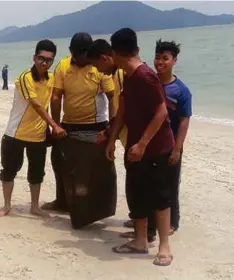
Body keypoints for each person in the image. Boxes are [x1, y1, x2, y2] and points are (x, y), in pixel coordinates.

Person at [106, 28, 175, 266]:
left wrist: (143, 144)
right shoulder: (129, 74)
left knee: (159, 197)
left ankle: (164, 246)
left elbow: (161, 111)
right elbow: (124, 109)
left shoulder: (145, 75)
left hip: (154, 148)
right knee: (137, 194)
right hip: (135, 146)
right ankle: (140, 240)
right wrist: (112, 138)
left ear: (116, 53)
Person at [43, 33, 116, 213]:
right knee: (60, 163)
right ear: (71, 52)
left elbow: (112, 97)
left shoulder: (99, 66)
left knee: (95, 168)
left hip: (96, 125)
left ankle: (96, 206)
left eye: (85, 55)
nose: (81, 59)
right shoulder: (63, 65)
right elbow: (56, 96)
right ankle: (62, 201)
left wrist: (112, 128)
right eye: (77, 56)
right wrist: (56, 125)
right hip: (68, 124)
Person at [0, 39, 66, 218]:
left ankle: (35, 206)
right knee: (9, 170)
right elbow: (36, 105)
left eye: (49, 60)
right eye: (41, 58)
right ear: (34, 57)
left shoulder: (51, 79)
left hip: (38, 136)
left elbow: (51, 101)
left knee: (36, 173)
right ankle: (6, 206)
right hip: (15, 133)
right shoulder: (25, 78)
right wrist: (55, 125)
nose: (45, 63)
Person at [144, 39, 191, 239]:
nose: (160, 62)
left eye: (165, 58)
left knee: (170, 185)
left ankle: (172, 222)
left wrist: (177, 149)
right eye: (157, 57)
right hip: (151, 144)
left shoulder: (180, 90)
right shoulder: (150, 83)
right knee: (149, 184)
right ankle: (150, 223)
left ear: (174, 61)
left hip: (170, 146)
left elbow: (183, 121)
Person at [87, 39, 127, 148]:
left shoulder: (121, 74)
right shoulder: (116, 74)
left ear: (104, 58)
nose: (98, 71)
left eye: (96, 66)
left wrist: (108, 133)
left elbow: (125, 112)